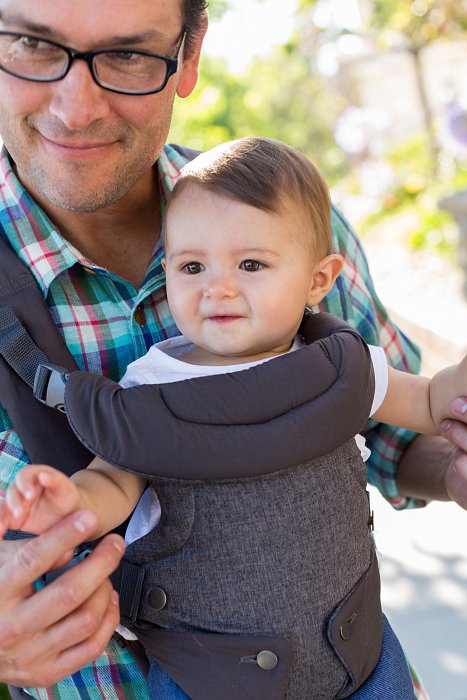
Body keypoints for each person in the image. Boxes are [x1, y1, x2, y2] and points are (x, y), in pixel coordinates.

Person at [0, 1, 466, 699]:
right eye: (34, 45)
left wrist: (454, 454)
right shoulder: (152, 384)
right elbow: (115, 477)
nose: (77, 108)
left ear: (188, 57)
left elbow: (405, 427)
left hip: (358, 667)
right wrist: (65, 507)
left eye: (128, 54)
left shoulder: (289, 219)